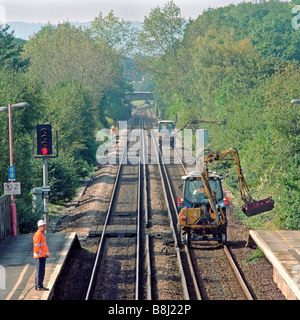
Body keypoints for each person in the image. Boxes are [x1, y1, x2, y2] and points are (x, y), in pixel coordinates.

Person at [33, 220, 50, 291]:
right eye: (43, 226)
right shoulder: (38, 235)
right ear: (39, 227)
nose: (45, 227)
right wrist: (43, 254)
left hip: (41, 256)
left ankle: (37, 285)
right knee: (40, 271)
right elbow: (37, 247)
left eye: (45, 226)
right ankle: (39, 285)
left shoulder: (41, 234)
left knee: (39, 270)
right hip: (40, 256)